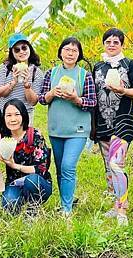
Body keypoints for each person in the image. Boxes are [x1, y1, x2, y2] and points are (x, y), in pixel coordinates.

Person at [39, 37, 97, 214]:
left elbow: (92, 101)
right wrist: (51, 93)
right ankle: (65, 201)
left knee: (68, 166)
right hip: (56, 129)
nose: (70, 53)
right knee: (59, 167)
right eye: (67, 49)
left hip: (77, 129)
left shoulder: (84, 75)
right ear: (60, 52)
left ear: (79, 54)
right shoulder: (52, 73)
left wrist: (76, 99)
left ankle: (67, 209)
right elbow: (42, 99)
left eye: (74, 50)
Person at [92, 28, 133, 227]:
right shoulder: (97, 67)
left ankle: (122, 208)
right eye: (108, 41)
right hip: (103, 122)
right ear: (103, 44)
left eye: (116, 42)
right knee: (108, 166)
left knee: (116, 164)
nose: (112, 45)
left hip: (123, 122)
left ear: (122, 45)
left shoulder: (130, 64)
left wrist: (123, 90)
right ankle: (116, 205)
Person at [0, 99, 52, 213]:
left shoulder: (35, 136)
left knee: (32, 181)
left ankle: (33, 208)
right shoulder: (3, 137)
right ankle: (20, 199)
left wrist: (14, 165)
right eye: (8, 115)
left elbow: (40, 169)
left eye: (17, 114)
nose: (13, 119)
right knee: (9, 205)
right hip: (14, 182)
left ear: (23, 115)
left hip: (37, 181)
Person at [0, 33, 44, 127]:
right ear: (12, 52)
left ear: (29, 48)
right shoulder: (5, 68)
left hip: (25, 115)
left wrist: (27, 86)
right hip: (4, 114)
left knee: (23, 141)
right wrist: (13, 83)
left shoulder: (37, 72)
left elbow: (33, 102)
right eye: (17, 50)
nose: (21, 51)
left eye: (24, 48)